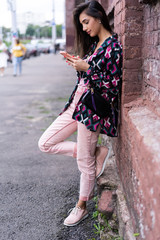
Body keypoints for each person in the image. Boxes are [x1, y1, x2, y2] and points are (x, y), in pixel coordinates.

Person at [38, 0, 122, 227]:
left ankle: (82, 207)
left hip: (92, 110)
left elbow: (112, 87)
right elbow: (89, 76)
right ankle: (97, 153)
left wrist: (88, 68)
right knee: (45, 143)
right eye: (81, 24)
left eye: (86, 22)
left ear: (99, 17)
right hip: (75, 105)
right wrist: (79, 64)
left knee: (85, 165)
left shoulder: (113, 46)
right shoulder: (95, 44)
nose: (84, 28)